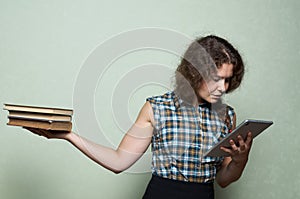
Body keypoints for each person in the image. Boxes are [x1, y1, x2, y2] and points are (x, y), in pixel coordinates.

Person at [25, 35, 253, 199]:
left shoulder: (226, 115)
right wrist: (68, 135)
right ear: (195, 71)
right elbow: (118, 161)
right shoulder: (157, 108)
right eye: (216, 78)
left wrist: (240, 159)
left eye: (227, 80)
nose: (222, 87)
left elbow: (224, 180)